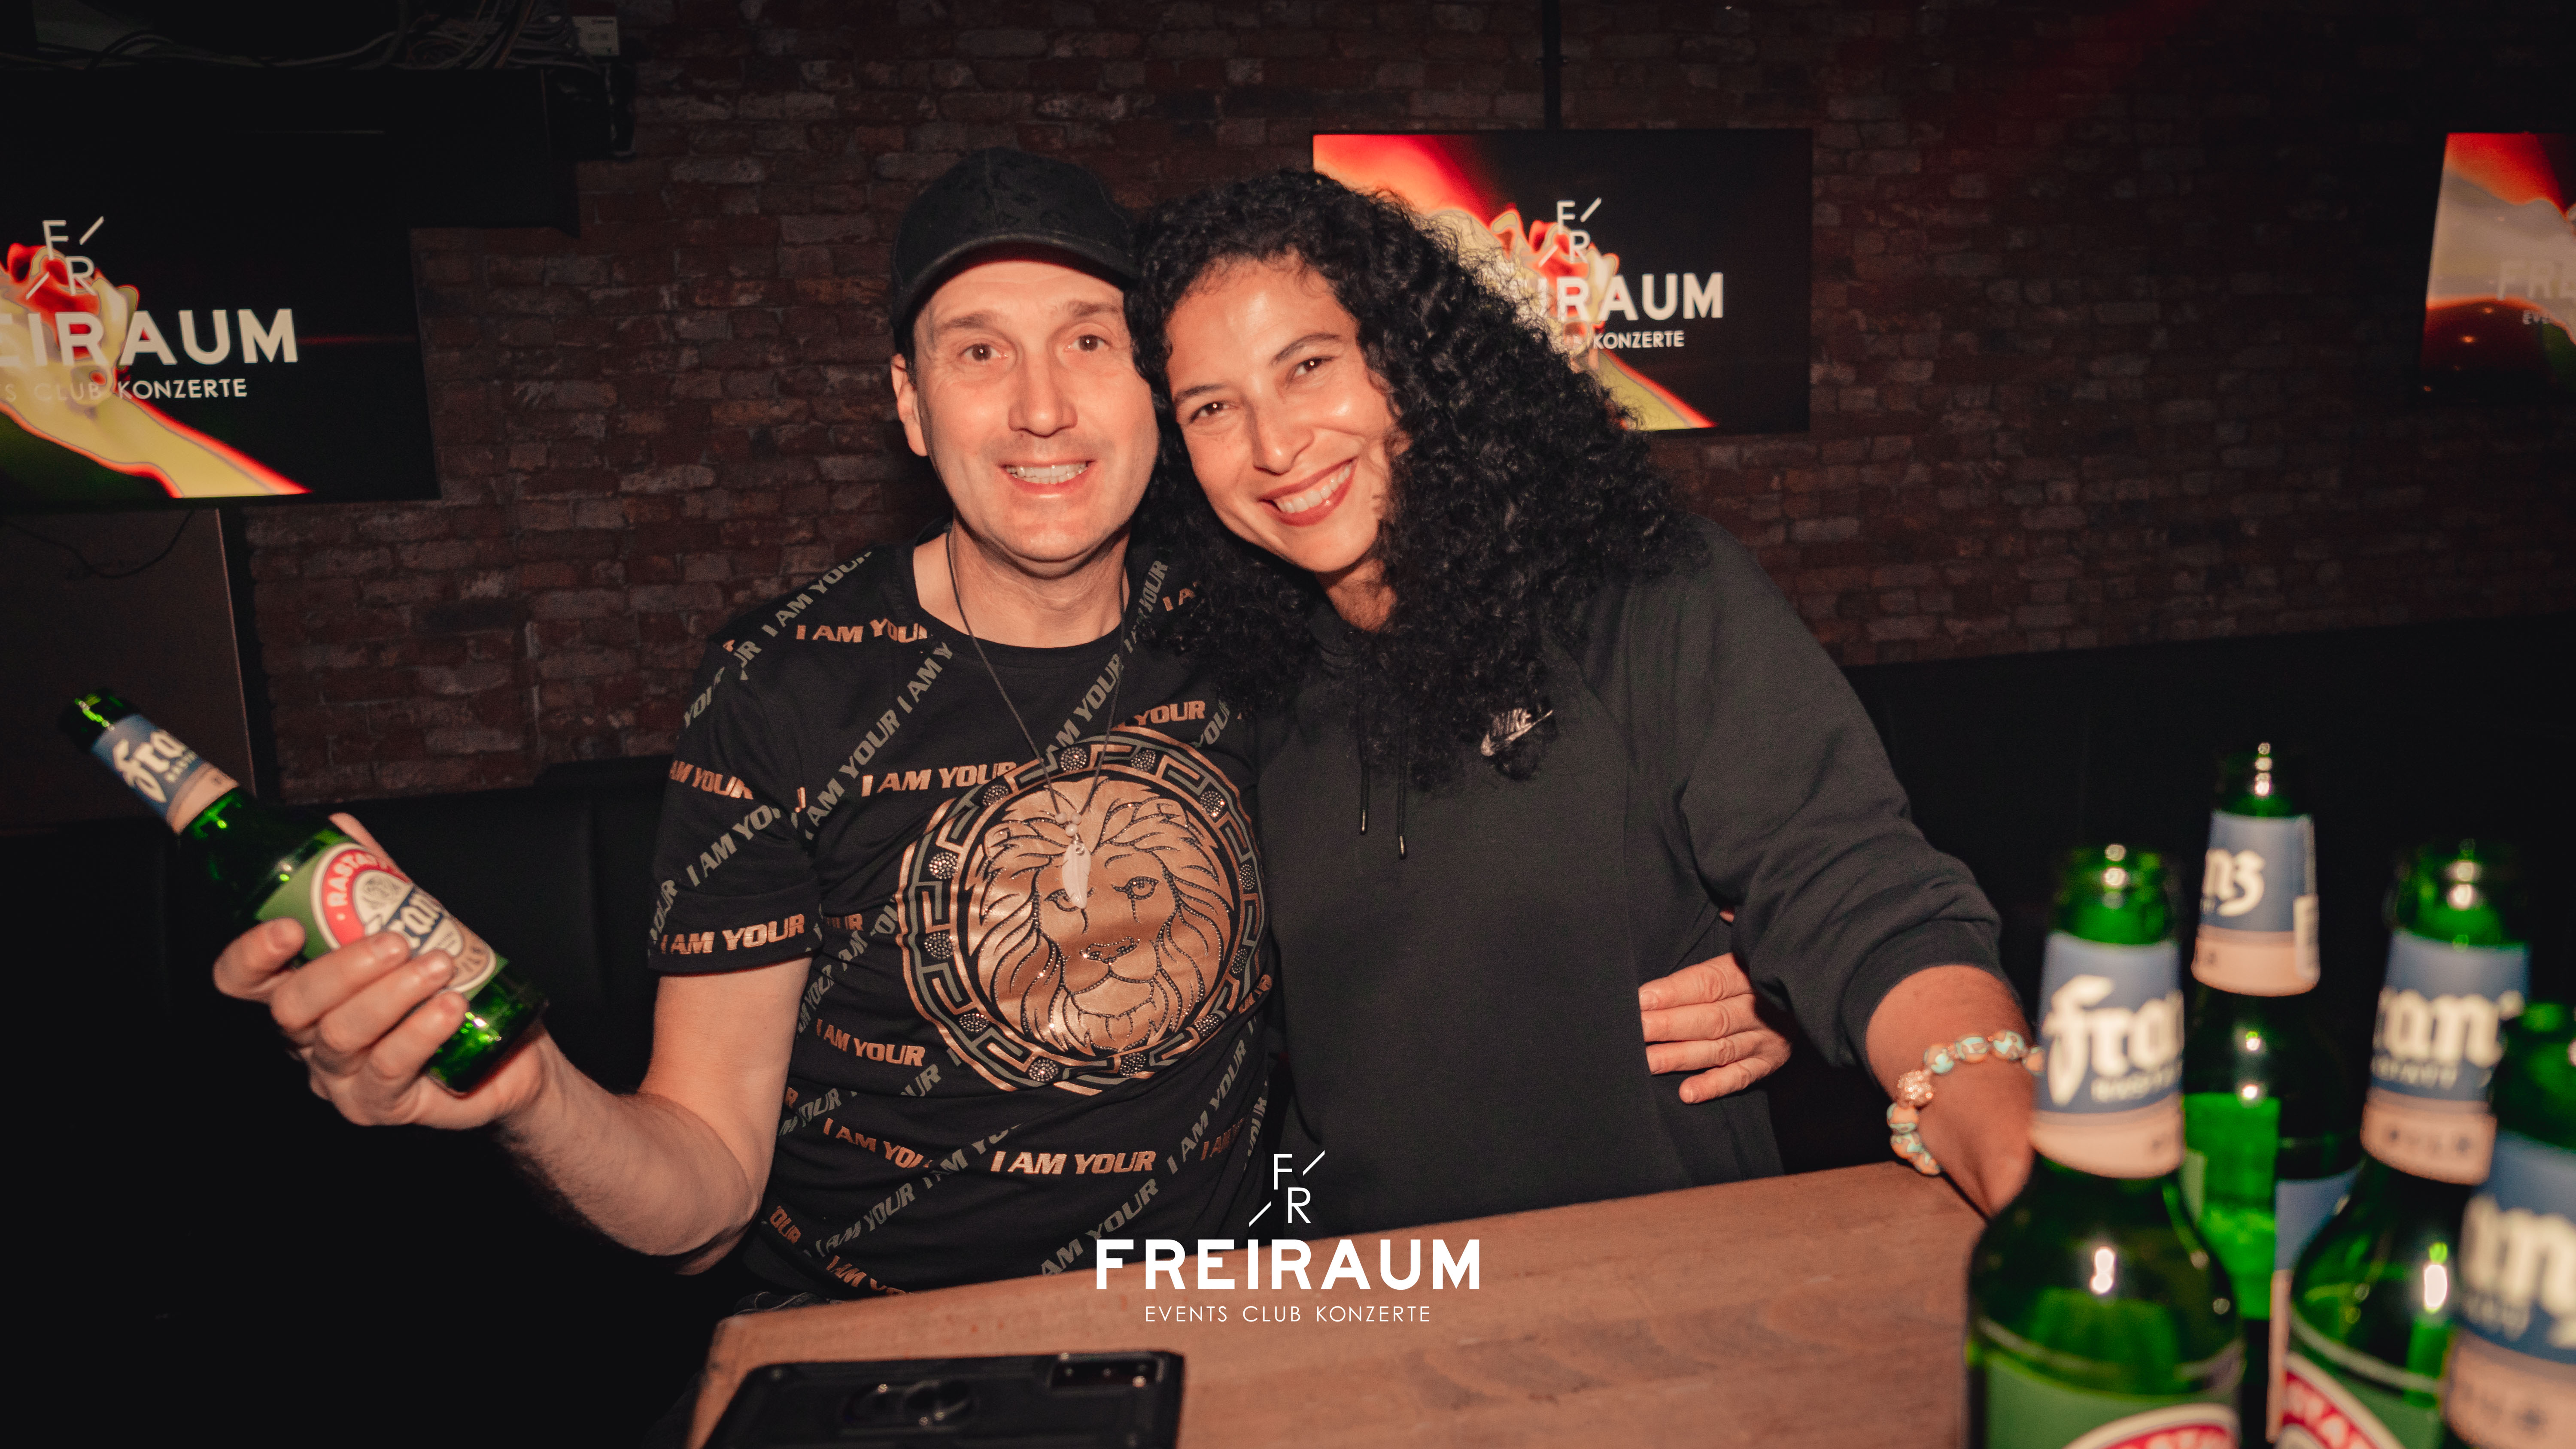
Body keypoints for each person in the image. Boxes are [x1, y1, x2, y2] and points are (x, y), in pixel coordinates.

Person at [206, 152, 1780, 1308]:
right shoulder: (780, 685)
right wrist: (530, 1090)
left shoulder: (1257, 623)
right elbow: (703, 1189)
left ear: (1159, 395)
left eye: (1091, 340)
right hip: (883, 1357)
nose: (1041, 406)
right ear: (908, 405)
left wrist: (1726, 953)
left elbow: (1521, 813)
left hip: (1239, 1318)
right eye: (978, 351)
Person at [1129, 168, 2038, 1237]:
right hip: (1373, 1300)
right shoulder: (1236, 687)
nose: (1275, 446)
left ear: (1406, 361)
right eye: (1212, 407)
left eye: (1310, 365)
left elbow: (1857, 892)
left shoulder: (1645, 596)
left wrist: (2031, 1175)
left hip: (1661, 1285)